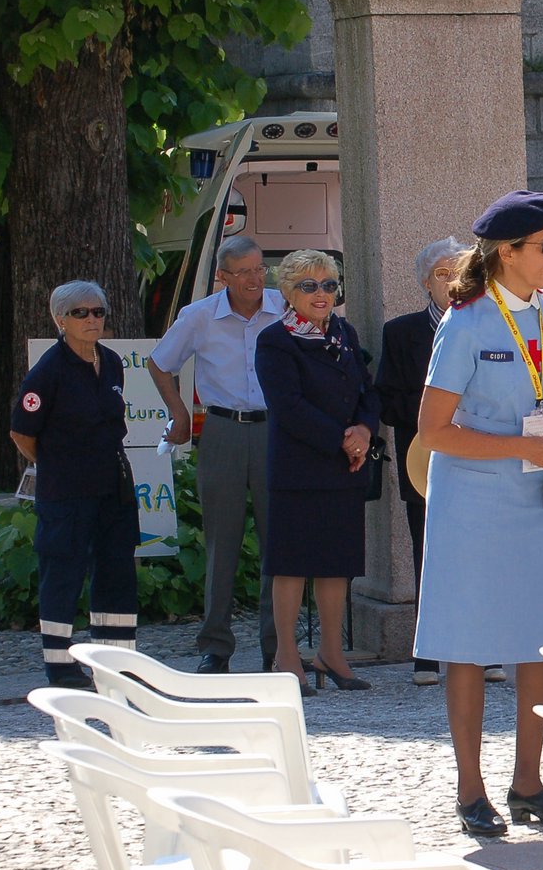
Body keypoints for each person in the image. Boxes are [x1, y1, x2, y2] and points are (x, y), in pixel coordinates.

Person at [414, 190, 543, 837]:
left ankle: (529, 782)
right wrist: (520, 446)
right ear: (509, 253)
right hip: (472, 502)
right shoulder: (467, 320)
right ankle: (471, 790)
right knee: (469, 643)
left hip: (535, 497)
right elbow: (433, 430)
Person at [148, 236, 283, 673]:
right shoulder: (200, 315)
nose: (255, 279)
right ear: (222, 276)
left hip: (275, 430)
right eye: (243, 271)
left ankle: (276, 647)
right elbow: (159, 362)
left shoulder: (285, 306)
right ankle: (216, 647)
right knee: (220, 543)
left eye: (259, 268)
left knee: (277, 544)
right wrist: (178, 411)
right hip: (223, 429)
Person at [254, 250, 380, 698]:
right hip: (299, 468)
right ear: (289, 292)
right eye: (309, 286)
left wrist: (364, 429)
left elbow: (367, 390)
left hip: (346, 467)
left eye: (328, 284)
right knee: (291, 565)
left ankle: (331, 652)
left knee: (335, 565)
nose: (321, 294)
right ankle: (286, 655)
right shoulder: (275, 340)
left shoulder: (345, 332)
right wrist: (340, 439)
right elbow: (287, 406)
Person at [9, 281, 139, 689]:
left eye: (98, 311)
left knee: (117, 569)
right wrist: (58, 463)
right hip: (66, 488)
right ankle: (61, 665)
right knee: (63, 571)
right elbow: (22, 433)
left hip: (112, 483)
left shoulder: (113, 362)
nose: (91, 320)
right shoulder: (48, 371)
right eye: (80, 313)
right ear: (60, 320)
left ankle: (116, 661)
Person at [375, 236, 469, 687]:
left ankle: (479, 649)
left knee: (476, 551)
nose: (451, 283)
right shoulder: (400, 332)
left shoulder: (486, 326)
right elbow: (386, 399)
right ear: (424, 283)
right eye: (441, 274)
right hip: (423, 457)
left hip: (478, 453)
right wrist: (433, 410)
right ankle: (427, 654)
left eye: (458, 272)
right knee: (426, 551)